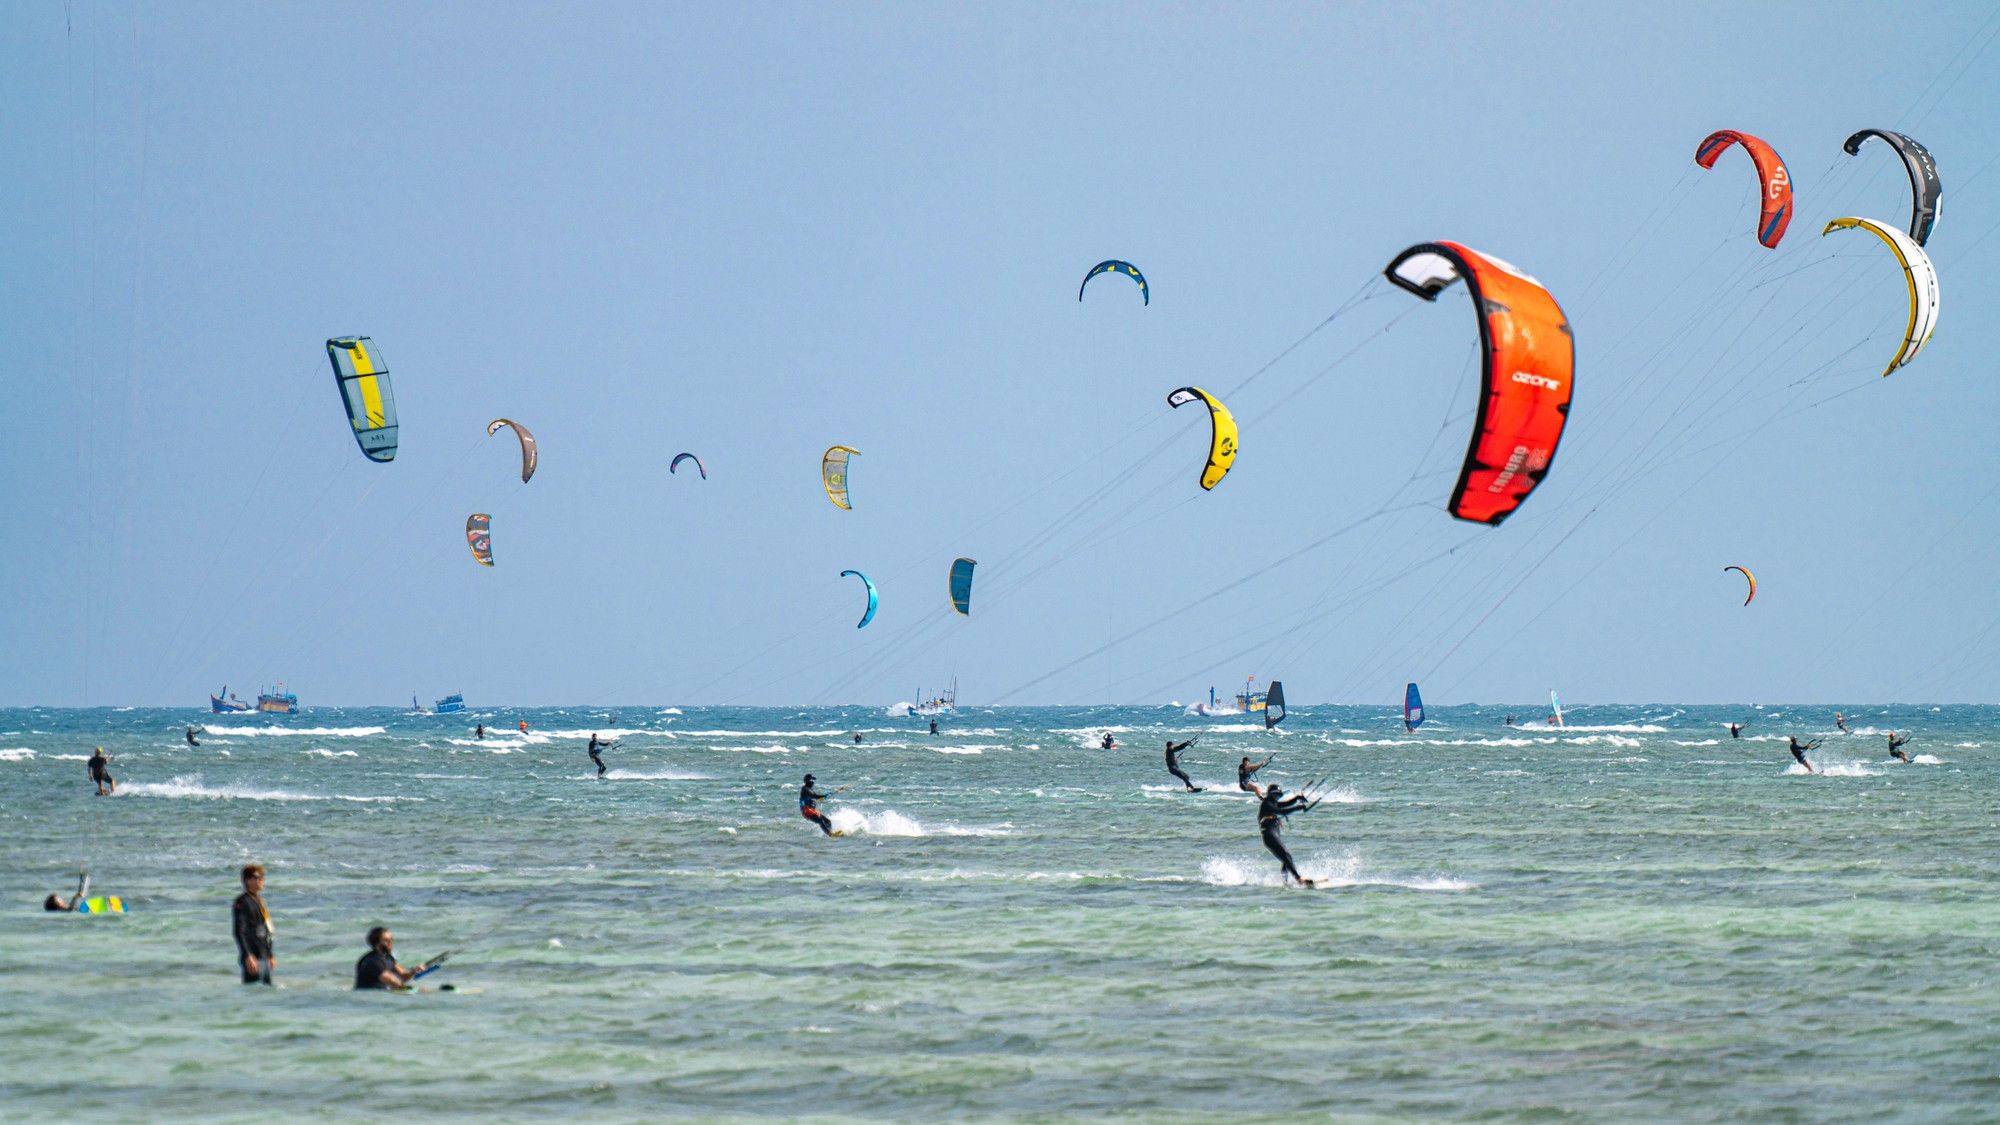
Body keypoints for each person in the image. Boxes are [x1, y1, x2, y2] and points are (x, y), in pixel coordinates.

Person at [1257, 784, 1315, 888]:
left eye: (1278, 795)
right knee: (1286, 856)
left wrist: (1297, 798)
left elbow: (1286, 804)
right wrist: (1297, 808)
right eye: (1275, 795)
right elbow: (1281, 811)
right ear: (1270, 795)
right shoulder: (1266, 803)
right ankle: (1299, 879)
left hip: (1272, 836)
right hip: (1269, 836)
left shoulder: (1273, 803)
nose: (1276, 797)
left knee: (1286, 859)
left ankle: (1285, 882)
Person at [232, 864, 275, 985]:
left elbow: (266, 929)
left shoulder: (259, 901)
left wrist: (270, 954)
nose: (261, 880)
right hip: (253, 957)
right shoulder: (242, 902)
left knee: (266, 993)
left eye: (262, 877)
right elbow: (238, 931)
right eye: (257, 877)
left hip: (263, 955)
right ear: (248, 881)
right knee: (253, 990)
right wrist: (248, 956)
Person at [354, 927, 434, 991]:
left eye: (391, 939)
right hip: (369, 997)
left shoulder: (388, 957)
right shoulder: (374, 961)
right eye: (386, 940)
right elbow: (395, 984)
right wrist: (418, 991)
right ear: (376, 943)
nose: (390, 942)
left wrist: (414, 971)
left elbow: (404, 976)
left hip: (381, 993)